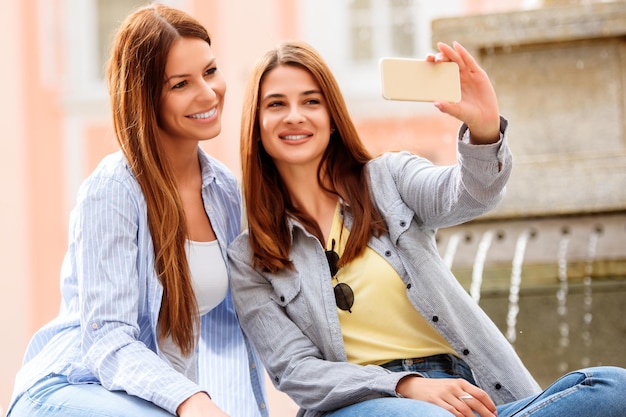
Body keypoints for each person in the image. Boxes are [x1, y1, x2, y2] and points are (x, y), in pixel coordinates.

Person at [228, 40, 626, 417]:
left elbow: (469, 195)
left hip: (466, 395)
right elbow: (297, 371)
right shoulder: (249, 258)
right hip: (366, 402)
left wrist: (484, 128)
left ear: (332, 118)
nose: (294, 115)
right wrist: (408, 385)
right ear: (257, 126)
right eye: (276, 104)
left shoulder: (389, 179)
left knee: (612, 388)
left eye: (310, 101)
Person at [7, 4, 267, 417]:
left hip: (147, 400)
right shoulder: (113, 190)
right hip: (71, 388)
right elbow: (107, 339)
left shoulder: (224, 192)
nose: (207, 93)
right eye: (181, 84)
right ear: (146, 96)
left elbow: (250, 320)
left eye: (210, 72)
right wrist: (191, 399)